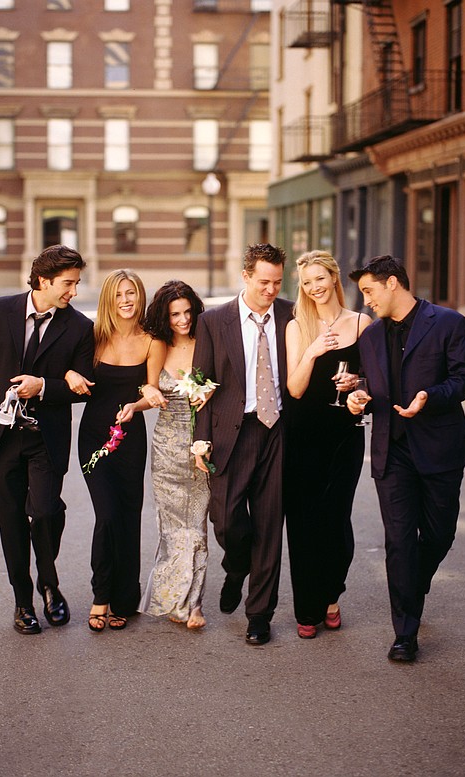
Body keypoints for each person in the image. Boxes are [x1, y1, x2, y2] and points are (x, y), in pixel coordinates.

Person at [0, 245, 95, 635]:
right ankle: (23, 601)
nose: (73, 291)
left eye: (76, 284)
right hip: (1, 436)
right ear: (43, 281)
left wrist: (46, 386)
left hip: (46, 438)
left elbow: (83, 388)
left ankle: (49, 582)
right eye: (68, 284)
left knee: (47, 512)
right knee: (12, 522)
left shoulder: (81, 327)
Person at [347, 255, 465, 662]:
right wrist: (356, 399)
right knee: (399, 543)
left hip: (440, 449)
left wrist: (428, 397)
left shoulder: (448, 323)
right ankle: (405, 634)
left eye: (369, 291)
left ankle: (415, 582)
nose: (365, 300)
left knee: (439, 535)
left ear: (392, 284)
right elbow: (366, 386)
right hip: (392, 454)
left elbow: (464, 379)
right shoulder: (369, 338)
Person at [192, 243, 294, 646]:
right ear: (246, 276)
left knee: (270, 525)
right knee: (228, 521)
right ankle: (236, 568)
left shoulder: (291, 315)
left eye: (277, 283)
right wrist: (201, 439)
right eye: (264, 282)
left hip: (279, 432)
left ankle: (259, 615)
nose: (271, 290)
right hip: (231, 432)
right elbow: (200, 382)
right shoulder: (214, 321)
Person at [66, 269, 166, 633]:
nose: (126, 300)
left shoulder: (153, 341)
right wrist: (68, 376)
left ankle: (125, 598)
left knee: (128, 515)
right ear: (109, 299)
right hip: (94, 438)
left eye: (133, 294)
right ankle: (101, 596)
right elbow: (63, 368)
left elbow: (150, 392)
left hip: (129, 438)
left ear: (140, 297)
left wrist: (137, 406)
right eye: (119, 294)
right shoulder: (92, 337)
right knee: (107, 514)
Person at [284, 250, 372, 639]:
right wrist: (314, 350)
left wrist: (358, 384)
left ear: (334, 278)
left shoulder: (362, 324)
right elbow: (295, 388)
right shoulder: (296, 326)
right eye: (306, 282)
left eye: (320, 279)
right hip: (302, 435)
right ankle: (307, 609)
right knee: (303, 522)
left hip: (344, 433)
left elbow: (374, 380)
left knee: (336, 519)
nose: (314, 287)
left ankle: (332, 594)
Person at [137, 280, 210, 630]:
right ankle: (173, 599)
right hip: (166, 444)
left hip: (202, 445)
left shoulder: (208, 343)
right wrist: (143, 394)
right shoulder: (158, 346)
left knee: (196, 526)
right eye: (174, 314)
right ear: (165, 317)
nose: (182, 320)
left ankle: (193, 604)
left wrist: (210, 395)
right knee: (171, 528)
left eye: (187, 312)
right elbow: (150, 391)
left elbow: (226, 385)